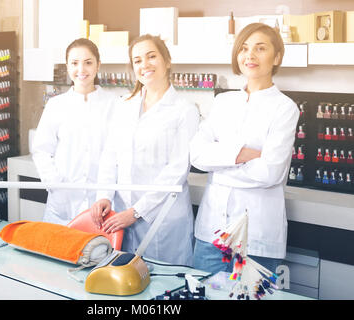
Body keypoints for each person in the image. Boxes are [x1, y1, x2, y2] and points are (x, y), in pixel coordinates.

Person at [190, 23, 300, 274]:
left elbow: (270, 173)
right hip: (211, 232)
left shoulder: (285, 108)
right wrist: (246, 155)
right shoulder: (223, 102)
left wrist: (220, 162)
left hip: (256, 238)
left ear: (277, 57)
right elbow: (197, 154)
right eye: (244, 48)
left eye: (260, 48)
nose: (250, 55)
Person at [90, 34, 200, 266]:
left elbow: (177, 170)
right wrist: (104, 195)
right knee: (124, 280)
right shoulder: (124, 106)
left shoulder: (185, 110)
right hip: (121, 216)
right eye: (137, 60)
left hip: (163, 218)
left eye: (151, 56)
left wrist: (135, 212)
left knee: (164, 286)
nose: (145, 65)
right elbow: (110, 156)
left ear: (167, 60)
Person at [32, 38, 117, 225]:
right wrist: (55, 185)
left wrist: (105, 195)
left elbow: (117, 154)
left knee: (97, 252)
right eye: (75, 63)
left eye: (88, 62)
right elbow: (41, 150)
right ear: (67, 66)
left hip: (101, 203)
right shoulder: (56, 105)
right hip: (63, 202)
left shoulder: (114, 104)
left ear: (98, 65)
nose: (81, 69)